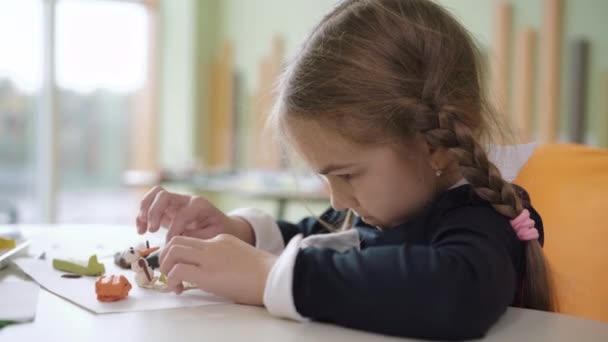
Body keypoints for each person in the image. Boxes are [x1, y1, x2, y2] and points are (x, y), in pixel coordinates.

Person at [136, 0, 556, 339]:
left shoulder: (480, 218)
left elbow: (454, 294)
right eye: (325, 177)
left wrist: (268, 276)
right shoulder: (389, 206)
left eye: (348, 175)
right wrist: (236, 232)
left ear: (434, 146)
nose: (337, 199)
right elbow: (324, 239)